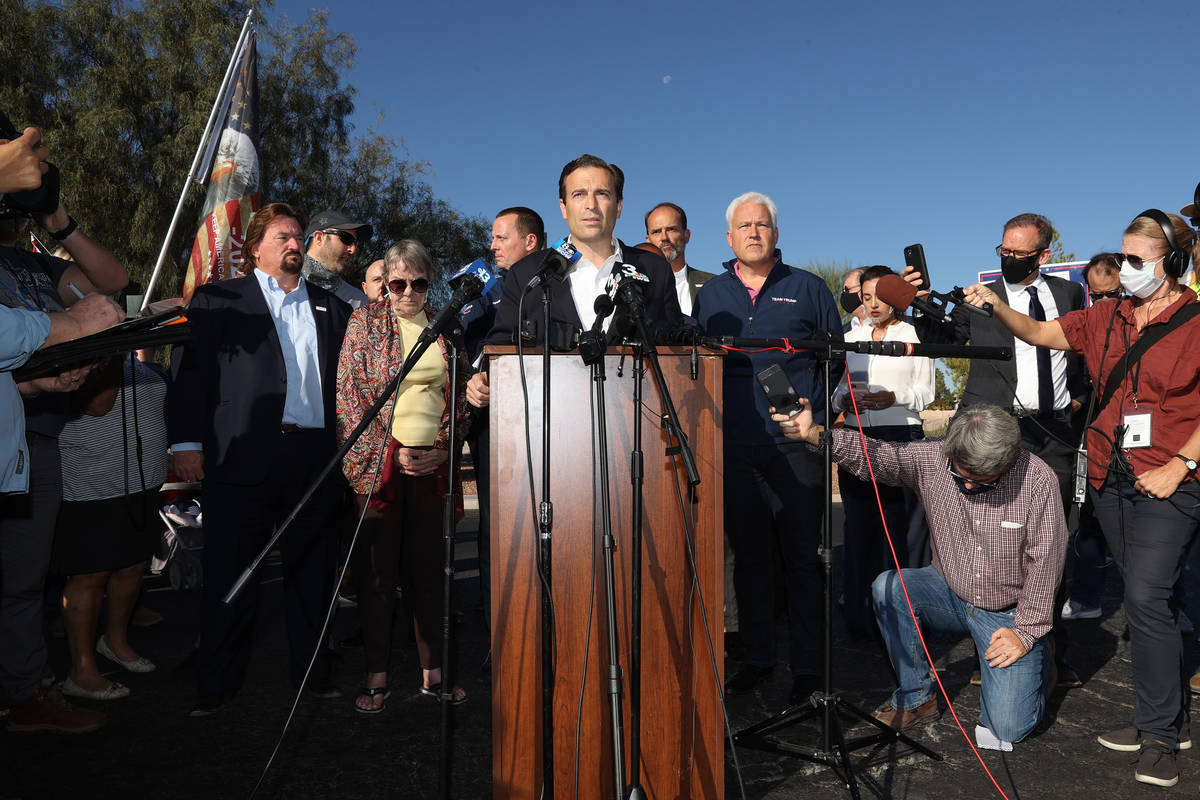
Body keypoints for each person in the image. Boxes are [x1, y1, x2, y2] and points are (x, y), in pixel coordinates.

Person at [960, 209, 1200, 788]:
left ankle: (1161, 737)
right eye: (1122, 257)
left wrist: (1184, 462)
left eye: (1139, 260)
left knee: (1144, 596)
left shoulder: (1195, 320)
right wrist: (996, 305)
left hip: (1171, 476)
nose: (1125, 270)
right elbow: (1044, 334)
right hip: (1110, 477)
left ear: (1172, 263)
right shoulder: (1106, 315)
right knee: (1152, 602)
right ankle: (1163, 717)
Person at [774, 402, 1066, 746]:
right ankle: (917, 698)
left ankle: (1042, 657)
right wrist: (813, 433)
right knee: (889, 587)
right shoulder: (932, 457)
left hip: (1008, 613)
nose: (969, 488)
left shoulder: (1037, 478)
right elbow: (879, 455)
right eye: (962, 476)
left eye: (983, 481)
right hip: (948, 590)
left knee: (1007, 729)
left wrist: (1026, 633)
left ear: (1010, 460)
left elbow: (1046, 562)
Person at [167, 201, 352, 716]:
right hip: (241, 454)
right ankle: (217, 683)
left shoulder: (332, 308)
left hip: (314, 457)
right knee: (232, 573)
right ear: (254, 248)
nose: (294, 244)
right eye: (282, 237)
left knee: (312, 572)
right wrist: (186, 443)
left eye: (298, 236)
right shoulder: (217, 301)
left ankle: (314, 675)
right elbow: (190, 379)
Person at [908, 212, 1087, 687]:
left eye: (1018, 253)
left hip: (1054, 435)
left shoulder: (1070, 295)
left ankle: (1051, 657)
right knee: (984, 545)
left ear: (1043, 255)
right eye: (1002, 252)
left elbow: (1082, 350)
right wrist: (921, 304)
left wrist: (1080, 400)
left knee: (1052, 546)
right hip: (994, 433)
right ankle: (989, 651)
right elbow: (940, 343)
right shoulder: (979, 299)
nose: (1008, 259)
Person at [0, 117, 129, 733]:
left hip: (35, 441)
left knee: (23, 582)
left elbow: (112, 287)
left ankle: (24, 695)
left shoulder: (32, 264)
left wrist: (59, 223)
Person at [692, 191, 843, 705]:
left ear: (776, 234)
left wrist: (814, 416)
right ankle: (757, 660)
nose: (754, 232)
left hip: (795, 449)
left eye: (762, 225)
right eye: (744, 226)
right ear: (729, 237)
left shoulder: (809, 288)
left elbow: (836, 359)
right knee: (750, 561)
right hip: (733, 449)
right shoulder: (710, 295)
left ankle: (808, 668)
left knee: (803, 560)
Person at [335, 239, 471, 713]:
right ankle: (377, 673)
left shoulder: (446, 326)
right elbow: (349, 396)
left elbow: (460, 399)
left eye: (419, 282)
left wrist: (442, 448)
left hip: (432, 464)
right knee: (376, 575)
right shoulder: (364, 323)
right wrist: (386, 457)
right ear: (386, 283)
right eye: (399, 283)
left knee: (429, 571)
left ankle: (433, 671)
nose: (409, 291)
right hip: (379, 466)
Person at [52, 353, 167, 701]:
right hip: (92, 484)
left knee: (132, 566)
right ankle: (81, 671)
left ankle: (115, 642)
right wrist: (113, 351)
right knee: (90, 575)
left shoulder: (127, 357)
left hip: (139, 482)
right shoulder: (79, 358)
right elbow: (99, 404)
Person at [480, 154, 684, 352]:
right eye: (579, 195)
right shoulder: (526, 274)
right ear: (563, 207)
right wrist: (482, 378)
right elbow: (499, 350)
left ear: (619, 206)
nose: (591, 205)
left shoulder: (654, 269)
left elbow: (676, 347)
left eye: (602, 194)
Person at [461, 206, 543, 683]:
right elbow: (471, 356)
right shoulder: (480, 295)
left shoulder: (554, 287)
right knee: (496, 534)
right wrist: (476, 381)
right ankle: (500, 638)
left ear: (530, 243)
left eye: (501, 237)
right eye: (491, 238)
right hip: (493, 431)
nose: (492, 246)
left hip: (548, 426)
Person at [832, 265, 934, 637]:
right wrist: (844, 397)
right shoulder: (852, 336)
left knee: (899, 534)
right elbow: (837, 390)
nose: (873, 304)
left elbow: (927, 393)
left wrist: (894, 397)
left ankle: (902, 621)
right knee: (858, 530)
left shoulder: (913, 333)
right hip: (856, 437)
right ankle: (859, 618)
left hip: (901, 437)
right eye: (866, 296)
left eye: (881, 295)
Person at [644, 202, 714, 316]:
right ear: (648, 241)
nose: (664, 237)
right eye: (656, 232)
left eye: (671, 229)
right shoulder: (634, 288)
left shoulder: (713, 285)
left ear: (686, 235)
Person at [303, 209, 372, 308]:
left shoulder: (358, 301)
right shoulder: (279, 284)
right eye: (346, 239)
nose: (353, 250)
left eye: (355, 243)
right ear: (319, 238)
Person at [839, 267, 867, 332]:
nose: (843, 294)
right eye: (842, 290)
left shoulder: (889, 329)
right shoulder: (843, 332)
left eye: (846, 289)